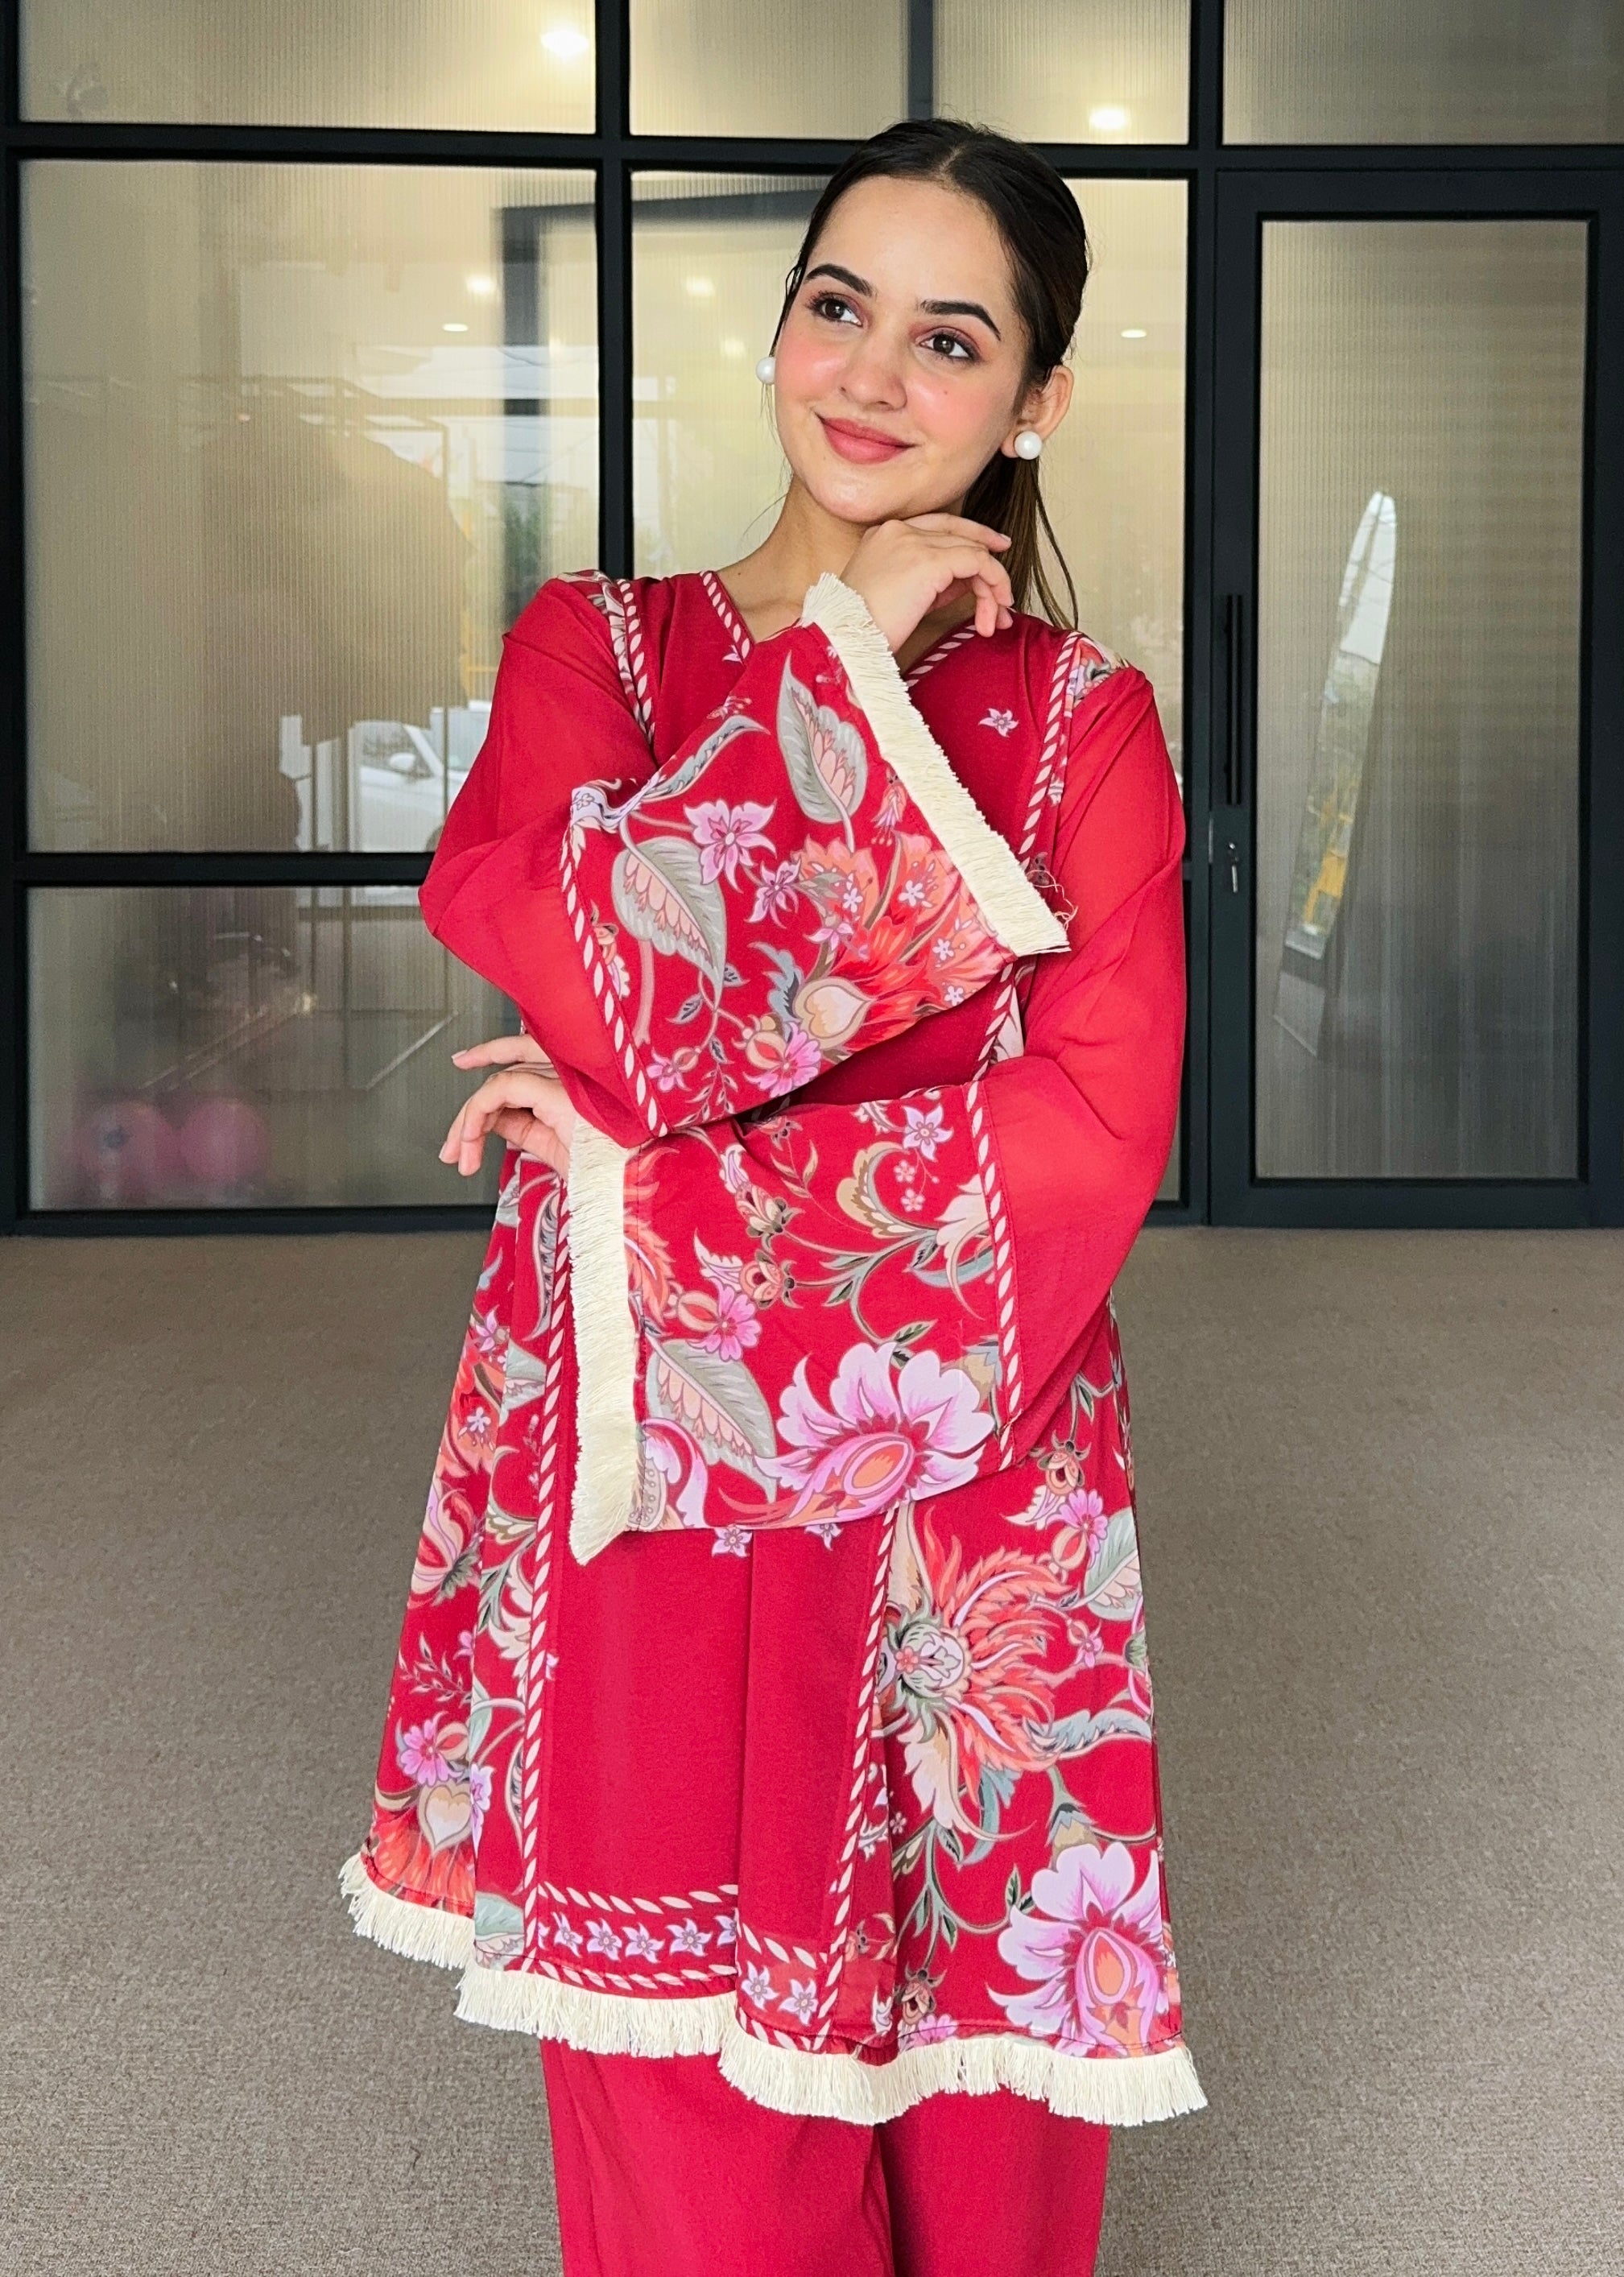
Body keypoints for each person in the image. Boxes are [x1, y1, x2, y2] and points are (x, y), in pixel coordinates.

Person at [340, 116, 1203, 2277]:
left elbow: (1095, 1130)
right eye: (837, 305)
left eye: (949, 335)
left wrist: (647, 1168)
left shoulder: (1078, 721)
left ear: (1035, 402)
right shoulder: (598, 651)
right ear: (777, 322)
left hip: (957, 1486)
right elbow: (560, 957)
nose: (871, 374)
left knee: (970, 2090)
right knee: (693, 2126)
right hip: (646, 1480)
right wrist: (834, 661)